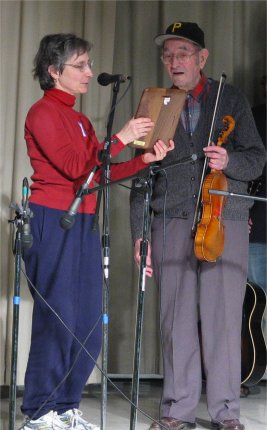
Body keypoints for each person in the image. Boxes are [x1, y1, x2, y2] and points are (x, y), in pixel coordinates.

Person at [21, 33, 174, 430]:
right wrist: (120, 137)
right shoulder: (42, 113)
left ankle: (67, 405)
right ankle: (40, 410)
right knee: (58, 318)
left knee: (88, 319)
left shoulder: (81, 119)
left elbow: (99, 173)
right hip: (54, 219)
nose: (90, 72)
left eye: (89, 64)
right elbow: (75, 167)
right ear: (55, 71)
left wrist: (143, 159)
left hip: (83, 222)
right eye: (81, 65)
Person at [130, 22, 266, 430]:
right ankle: (177, 410)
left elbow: (256, 157)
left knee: (224, 318)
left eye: (183, 53)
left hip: (224, 218)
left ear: (202, 58)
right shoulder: (154, 104)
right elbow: (140, 176)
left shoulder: (232, 99)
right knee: (176, 320)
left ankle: (226, 412)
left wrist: (230, 162)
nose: (174, 62)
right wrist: (140, 234)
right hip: (169, 219)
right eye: (168, 55)